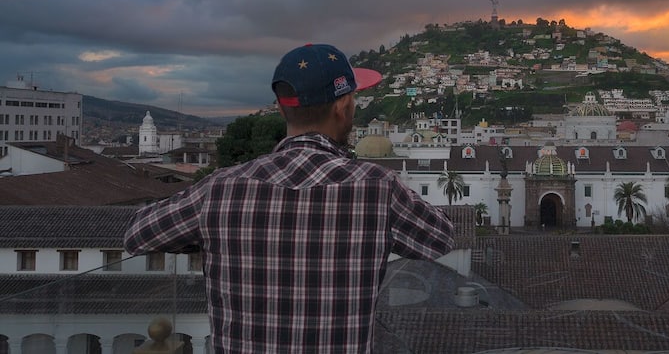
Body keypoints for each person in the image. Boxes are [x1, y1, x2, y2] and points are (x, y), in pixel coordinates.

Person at [124, 43, 455, 353]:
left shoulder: (221, 189)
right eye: (353, 98)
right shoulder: (378, 188)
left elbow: (138, 234)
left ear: (282, 109)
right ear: (342, 106)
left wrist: (210, 235)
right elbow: (440, 238)